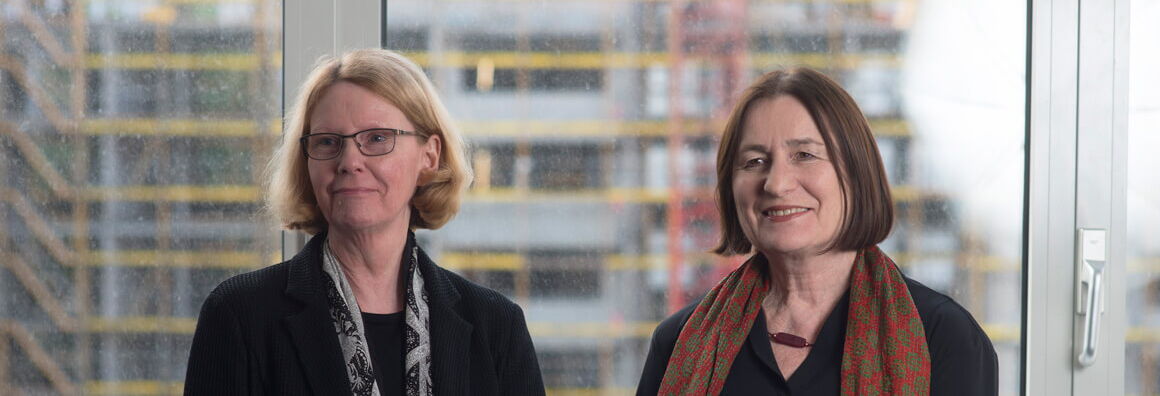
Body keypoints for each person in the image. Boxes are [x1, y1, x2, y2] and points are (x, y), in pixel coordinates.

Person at [185, 49, 545, 396]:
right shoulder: (238, 316)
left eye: (376, 138)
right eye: (328, 142)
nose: (349, 161)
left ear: (429, 155)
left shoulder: (497, 326)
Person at [636, 68, 998, 395]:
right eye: (754, 162)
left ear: (856, 174)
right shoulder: (678, 343)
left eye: (805, 155)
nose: (776, 184)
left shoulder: (943, 339)